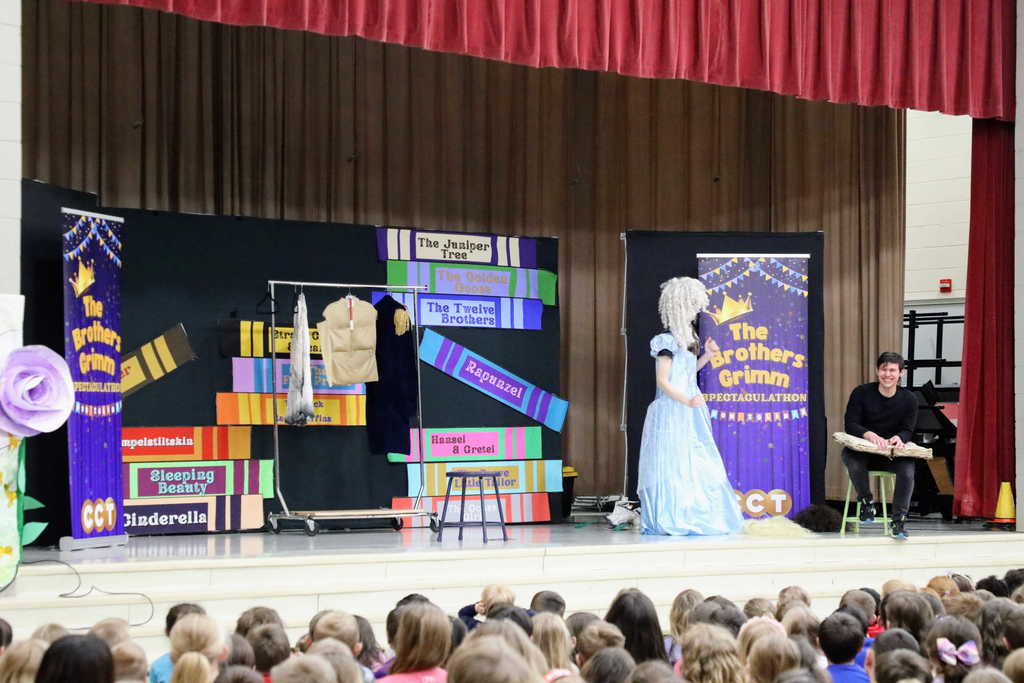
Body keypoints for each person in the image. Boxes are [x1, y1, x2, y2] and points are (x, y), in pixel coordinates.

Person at [637, 276, 743, 536]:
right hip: (673, 410)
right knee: (673, 462)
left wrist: (707, 356)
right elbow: (663, 381)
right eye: (693, 305)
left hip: (688, 409)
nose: (696, 311)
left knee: (694, 459)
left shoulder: (690, 340)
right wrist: (686, 400)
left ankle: (691, 511)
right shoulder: (666, 342)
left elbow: (686, 373)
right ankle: (671, 514)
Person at [841, 351, 919, 539]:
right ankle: (867, 502)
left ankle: (898, 520)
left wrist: (900, 437)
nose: (888, 374)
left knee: (908, 471)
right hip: (862, 452)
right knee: (853, 461)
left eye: (893, 370)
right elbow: (850, 423)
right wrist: (868, 434)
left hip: (891, 454)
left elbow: (908, 429)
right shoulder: (861, 392)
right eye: (884, 369)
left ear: (901, 373)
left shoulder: (909, 399)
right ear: (877, 371)